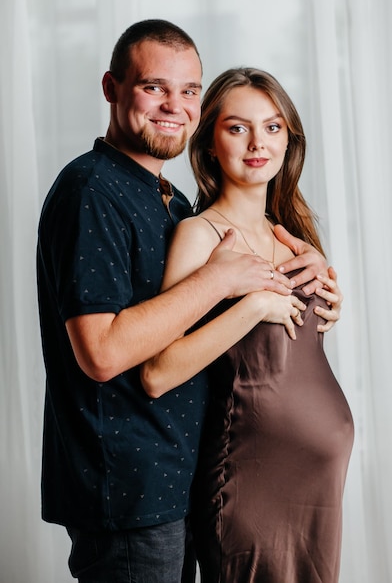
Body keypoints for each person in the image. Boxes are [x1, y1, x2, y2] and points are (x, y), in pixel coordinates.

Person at [36, 19, 340, 583]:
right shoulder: (92, 190)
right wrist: (227, 287)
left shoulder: (168, 200)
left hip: (177, 483)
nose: (174, 105)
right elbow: (102, 354)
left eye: (190, 90)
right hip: (127, 492)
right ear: (111, 88)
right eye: (154, 87)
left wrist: (308, 279)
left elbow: (214, 320)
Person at [141, 67, 353, 583]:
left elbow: (288, 354)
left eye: (273, 127)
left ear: (289, 139)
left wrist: (332, 300)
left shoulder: (292, 233)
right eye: (237, 128)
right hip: (249, 483)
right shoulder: (200, 234)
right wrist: (251, 308)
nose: (258, 142)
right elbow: (159, 370)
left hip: (317, 485)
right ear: (210, 141)